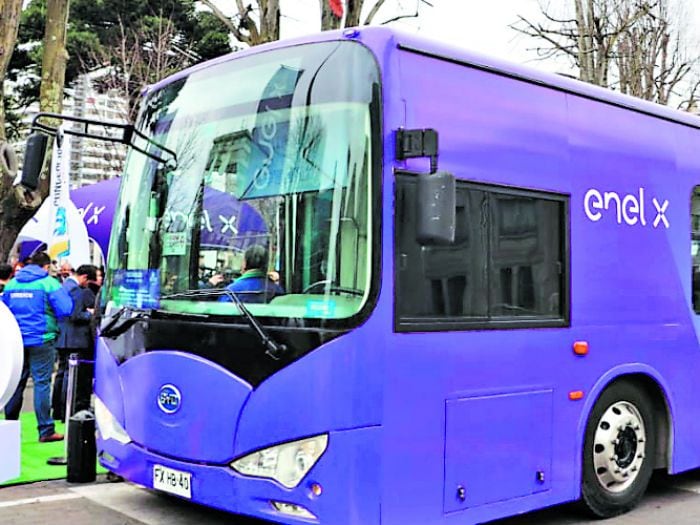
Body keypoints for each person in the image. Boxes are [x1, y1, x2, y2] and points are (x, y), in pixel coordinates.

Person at [2, 252, 72, 442]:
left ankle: (10, 425)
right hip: (42, 339)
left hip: (16, 341)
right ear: (47, 266)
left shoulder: (12, 284)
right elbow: (66, 309)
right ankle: (46, 430)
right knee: (42, 383)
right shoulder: (48, 283)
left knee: (16, 382)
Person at [53, 264, 97, 420]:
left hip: (63, 336)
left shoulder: (62, 287)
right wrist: (90, 314)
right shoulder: (77, 291)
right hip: (76, 338)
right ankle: (68, 409)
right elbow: (76, 314)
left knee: (62, 373)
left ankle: (57, 408)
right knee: (70, 376)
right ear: (84, 277)